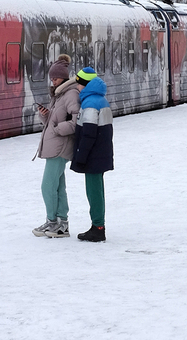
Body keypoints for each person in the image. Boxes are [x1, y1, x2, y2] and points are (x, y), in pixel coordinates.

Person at [32, 54, 81, 239]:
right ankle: (62, 224)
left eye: (56, 77)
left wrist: (57, 129)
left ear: (64, 77)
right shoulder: (59, 94)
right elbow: (54, 119)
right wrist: (45, 115)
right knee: (59, 187)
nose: (53, 81)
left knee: (47, 186)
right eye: (51, 78)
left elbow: (76, 121)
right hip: (55, 145)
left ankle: (53, 222)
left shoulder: (70, 94)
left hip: (60, 147)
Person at [71, 67, 114, 242]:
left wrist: (81, 156)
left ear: (85, 85)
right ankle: (98, 225)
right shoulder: (101, 100)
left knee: (93, 191)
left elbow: (88, 133)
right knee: (98, 190)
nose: (77, 87)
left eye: (79, 84)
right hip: (101, 153)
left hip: (93, 155)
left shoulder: (89, 104)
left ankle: (98, 228)